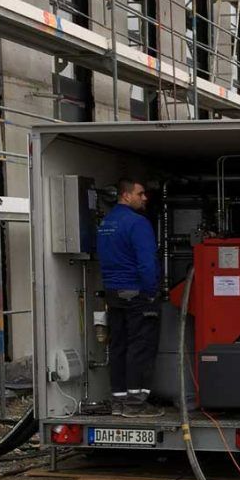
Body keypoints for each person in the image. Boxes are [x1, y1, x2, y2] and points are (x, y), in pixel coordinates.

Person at [96, 178, 163, 418]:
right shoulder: (138, 223)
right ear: (126, 196)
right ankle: (136, 404)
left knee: (118, 345)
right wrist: (151, 291)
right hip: (137, 293)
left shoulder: (106, 223)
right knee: (140, 346)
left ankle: (118, 401)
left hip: (113, 293)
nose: (145, 198)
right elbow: (146, 263)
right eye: (140, 193)